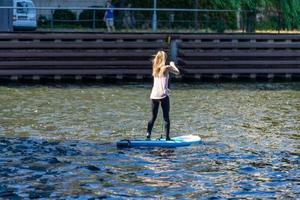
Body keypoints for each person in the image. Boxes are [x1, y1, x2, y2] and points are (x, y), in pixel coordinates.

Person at [146, 51, 180, 141]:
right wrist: (173, 64)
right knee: (166, 117)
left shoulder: (155, 68)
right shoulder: (166, 67)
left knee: (153, 117)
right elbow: (177, 72)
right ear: (163, 58)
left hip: (153, 95)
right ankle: (167, 138)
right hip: (163, 95)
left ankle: (148, 135)